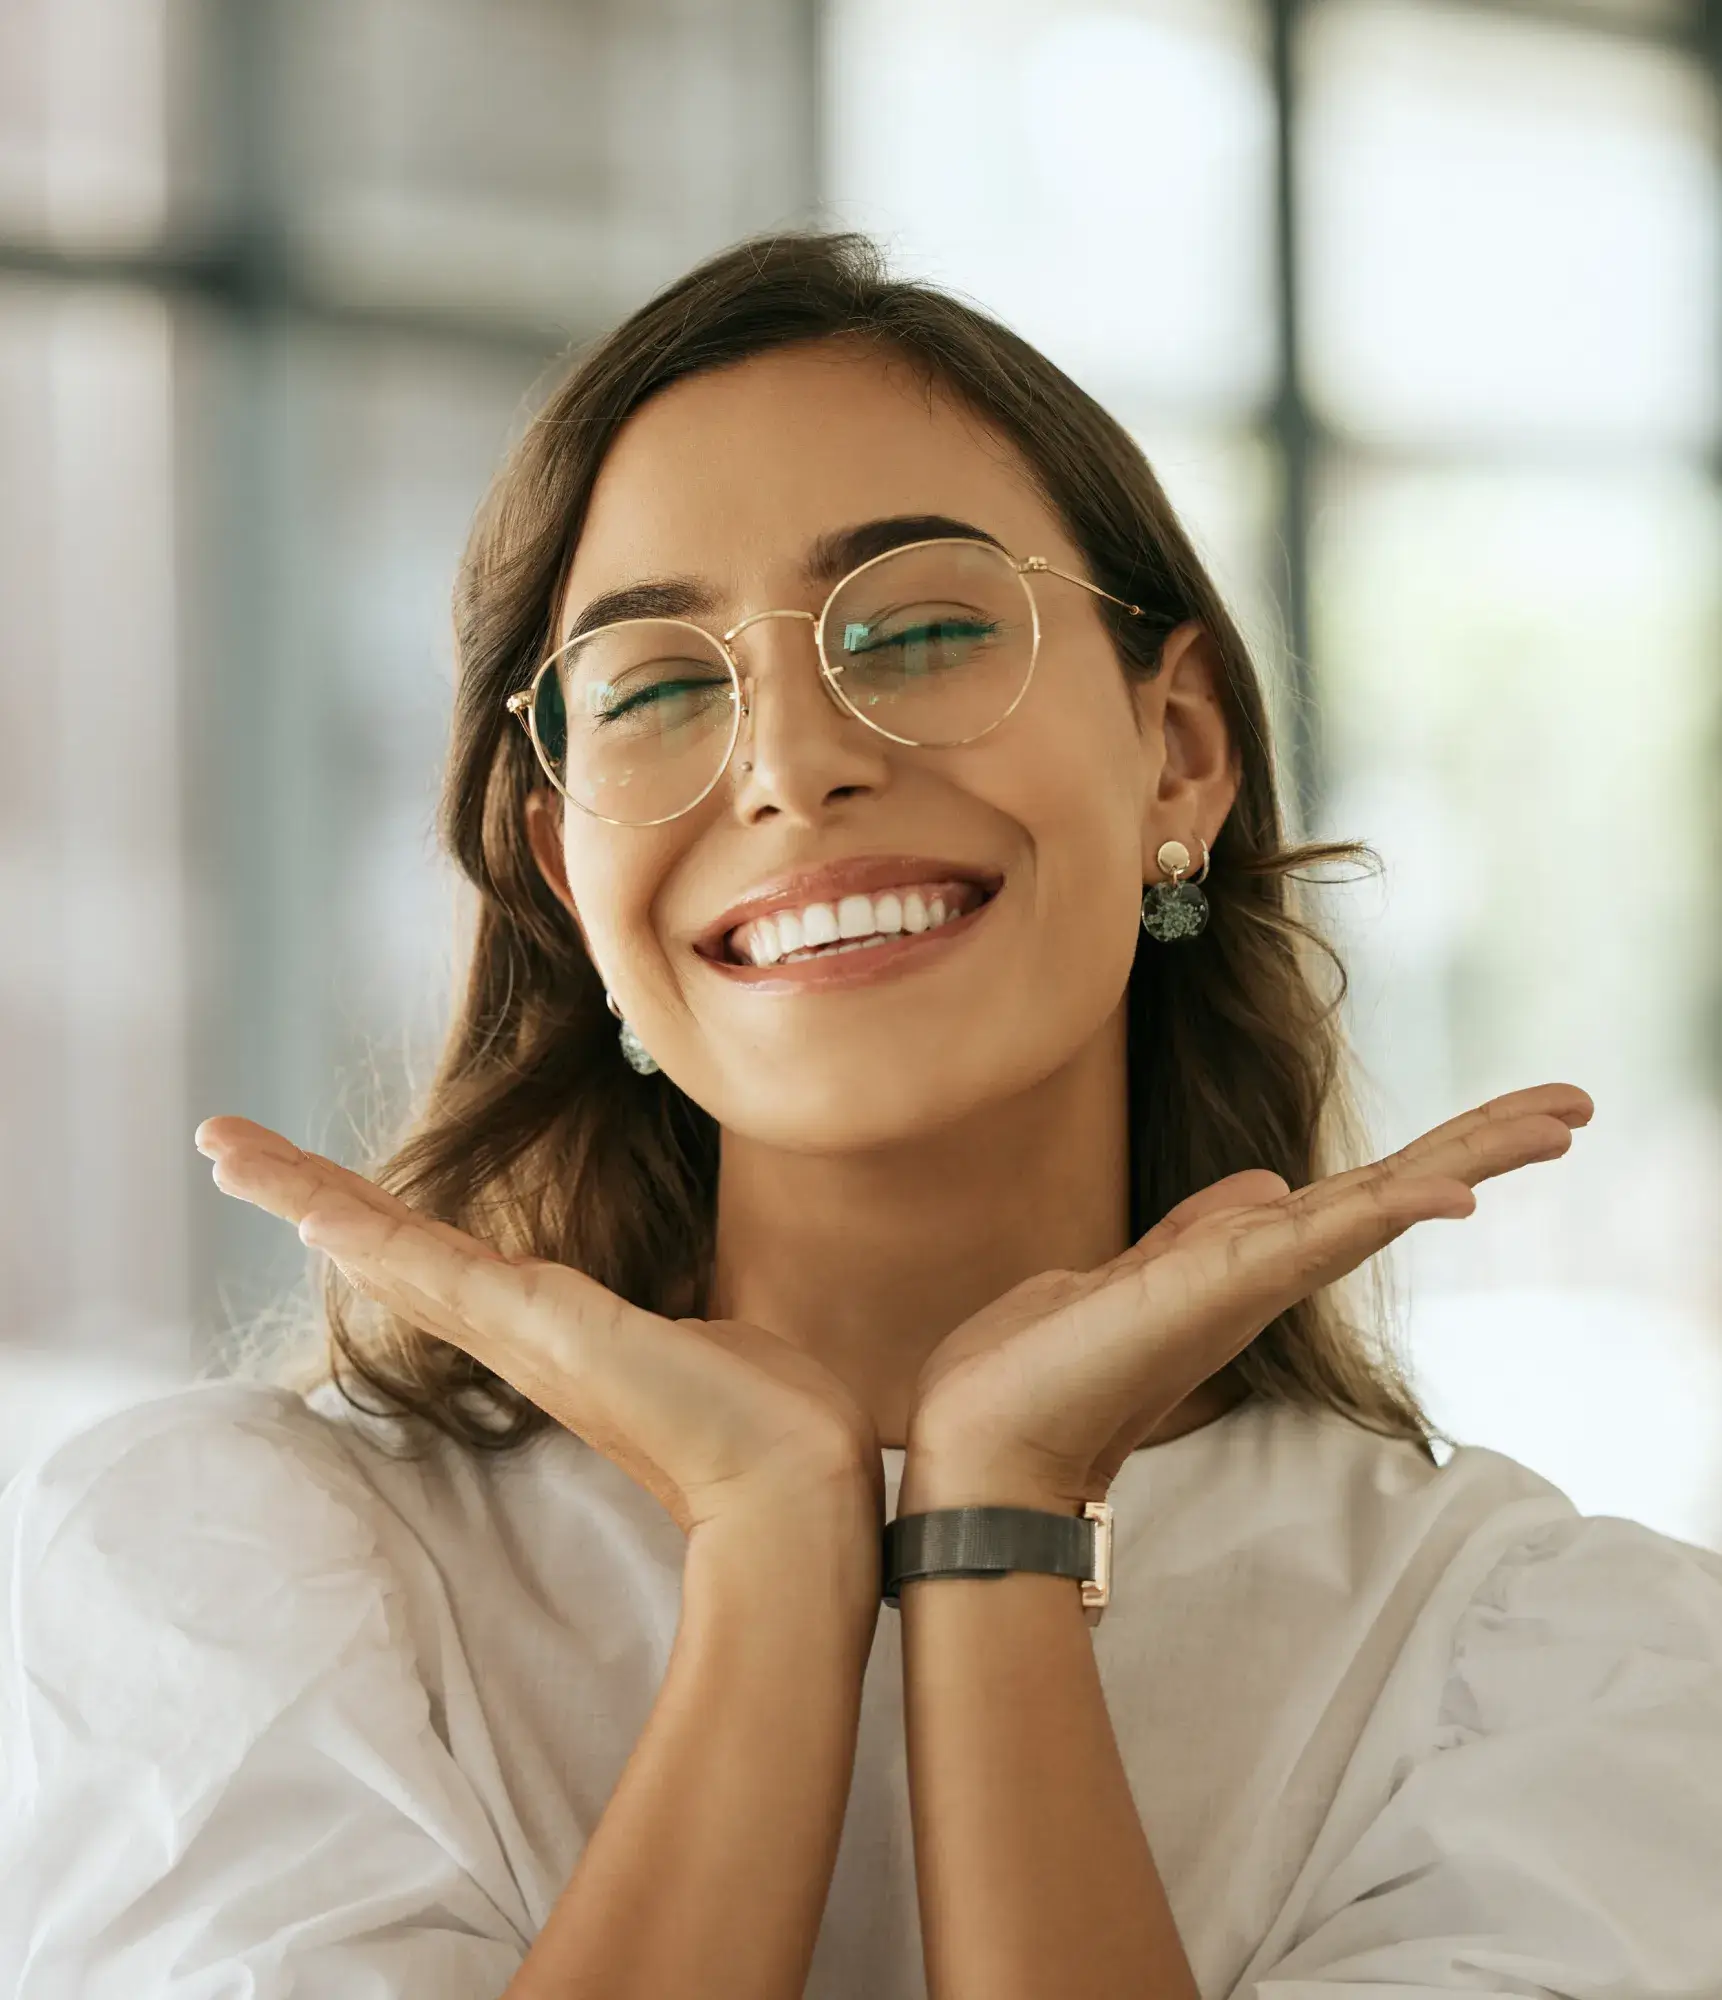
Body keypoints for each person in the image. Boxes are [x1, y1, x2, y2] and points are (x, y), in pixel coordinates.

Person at [1, 231, 1717, 2000]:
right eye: (659, 687)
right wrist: (763, 1543)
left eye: (919, 631)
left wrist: (1002, 1530)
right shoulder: (248, 1581)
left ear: (1180, 750)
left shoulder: (1557, 1670)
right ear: (561, 872)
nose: (786, 762)